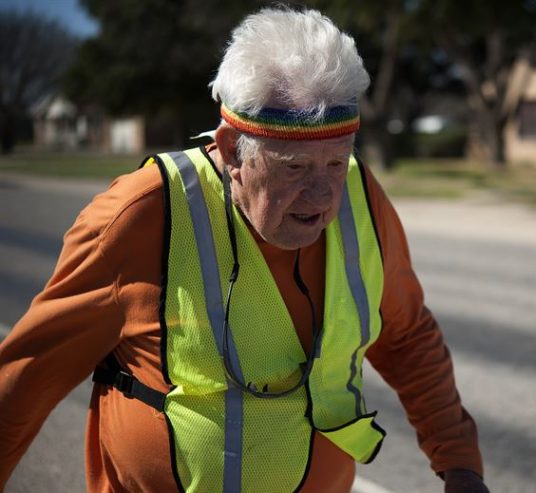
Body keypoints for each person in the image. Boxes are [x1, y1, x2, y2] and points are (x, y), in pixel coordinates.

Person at [0, 7, 487, 493]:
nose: (322, 198)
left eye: (337, 163)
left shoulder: (362, 200)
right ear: (234, 150)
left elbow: (405, 336)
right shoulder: (142, 215)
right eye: (295, 168)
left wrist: (460, 463)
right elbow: (29, 375)